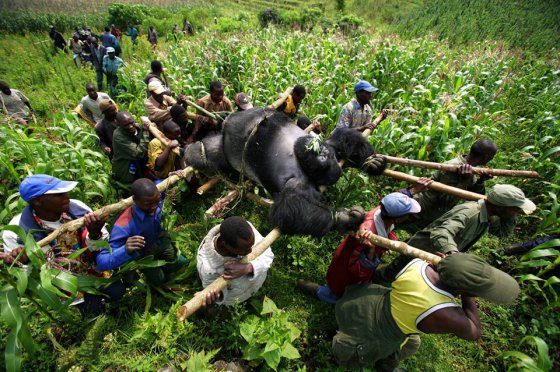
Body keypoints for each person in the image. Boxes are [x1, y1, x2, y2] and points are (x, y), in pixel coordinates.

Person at [332, 251, 520, 370]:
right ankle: (383, 365)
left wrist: (453, 268)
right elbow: (474, 332)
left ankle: (386, 365)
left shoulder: (418, 264)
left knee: (413, 342)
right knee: (407, 344)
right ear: (462, 290)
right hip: (377, 331)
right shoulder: (444, 313)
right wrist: (468, 295)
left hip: (368, 301)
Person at [1, 174, 124, 316]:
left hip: (93, 269)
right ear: (37, 201)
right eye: (58, 194)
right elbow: (25, 276)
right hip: (64, 283)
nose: (67, 196)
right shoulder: (17, 232)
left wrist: (95, 234)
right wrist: (22, 263)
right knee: (92, 312)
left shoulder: (76, 208)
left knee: (117, 292)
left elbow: (100, 247)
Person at [376, 184, 537, 282]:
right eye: (514, 209)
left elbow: (502, 233)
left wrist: (511, 213)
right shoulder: (469, 213)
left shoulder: (491, 216)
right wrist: (452, 253)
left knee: (407, 278)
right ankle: (362, 280)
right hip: (423, 248)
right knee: (391, 273)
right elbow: (441, 231)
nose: (516, 212)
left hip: (435, 256)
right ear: (500, 207)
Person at [298, 191, 423, 304]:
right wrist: (371, 250)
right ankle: (317, 291)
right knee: (341, 293)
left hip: (344, 259)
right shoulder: (369, 235)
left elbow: (394, 199)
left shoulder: (380, 211)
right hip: (347, 270)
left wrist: (411, 191)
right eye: (408, 213)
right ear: (399, 219)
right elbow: (358, 270)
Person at [96, 178, 186, 285]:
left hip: (161, 242)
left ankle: (167, 267)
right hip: (145, 256)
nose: (154, 207)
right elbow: (101, 262)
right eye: (148, 204)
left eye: (157, 201)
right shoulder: (123, 225)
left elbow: (161, 182)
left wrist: (173, 175)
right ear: (134, 199)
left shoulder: (154, 197)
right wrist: (125, 250)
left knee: (181, 262)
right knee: (160, 280)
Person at [409, 139, 497, 228]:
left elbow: (474, 198)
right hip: (420, 212)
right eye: (491, 157)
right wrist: (466, 180)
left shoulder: (470, 168)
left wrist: (480, 181)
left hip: (430, 214)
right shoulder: (454, 167)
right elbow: (445, 200)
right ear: (486, 157)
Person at [197, 216, 274, 307]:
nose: (250, 251)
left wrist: (248, 268)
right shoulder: (207, 268)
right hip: (236, 299)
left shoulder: (246, 232)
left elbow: (268, 254)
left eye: (251, 246)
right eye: (244, 250)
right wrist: (218, 295)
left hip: (256, 284)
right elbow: (216, 291)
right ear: (225, 245)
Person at [111, 111, 150, 192]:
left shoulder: (136, 126)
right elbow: (138, 153)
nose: (131, 126)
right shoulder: (118, 136)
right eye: (126, 125)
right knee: (131, 187)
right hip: (125, 166)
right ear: (118, 124)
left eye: (131, 123)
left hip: (137, 162)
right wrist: (145, 133)